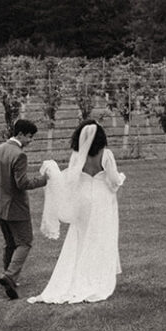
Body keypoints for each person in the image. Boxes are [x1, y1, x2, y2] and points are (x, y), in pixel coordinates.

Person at [28, 120, 126, 304]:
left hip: (82, 200)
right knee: (100, 237)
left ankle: (77, 274)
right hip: (101, 199)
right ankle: (95, 276)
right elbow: (113, 180)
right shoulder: (106, 154)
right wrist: (120, 179)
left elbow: (71, 180)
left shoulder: (77, 155)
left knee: (80, 237)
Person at [0, 118, 49, 300]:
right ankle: (10, 276)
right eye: (30, 137)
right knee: (25, 242)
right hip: (16, 208)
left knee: (10, 243)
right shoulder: (19, 155)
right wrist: (44, 179)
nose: (31, 141)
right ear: (20, 134)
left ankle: (8, 275)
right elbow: (23, 183)